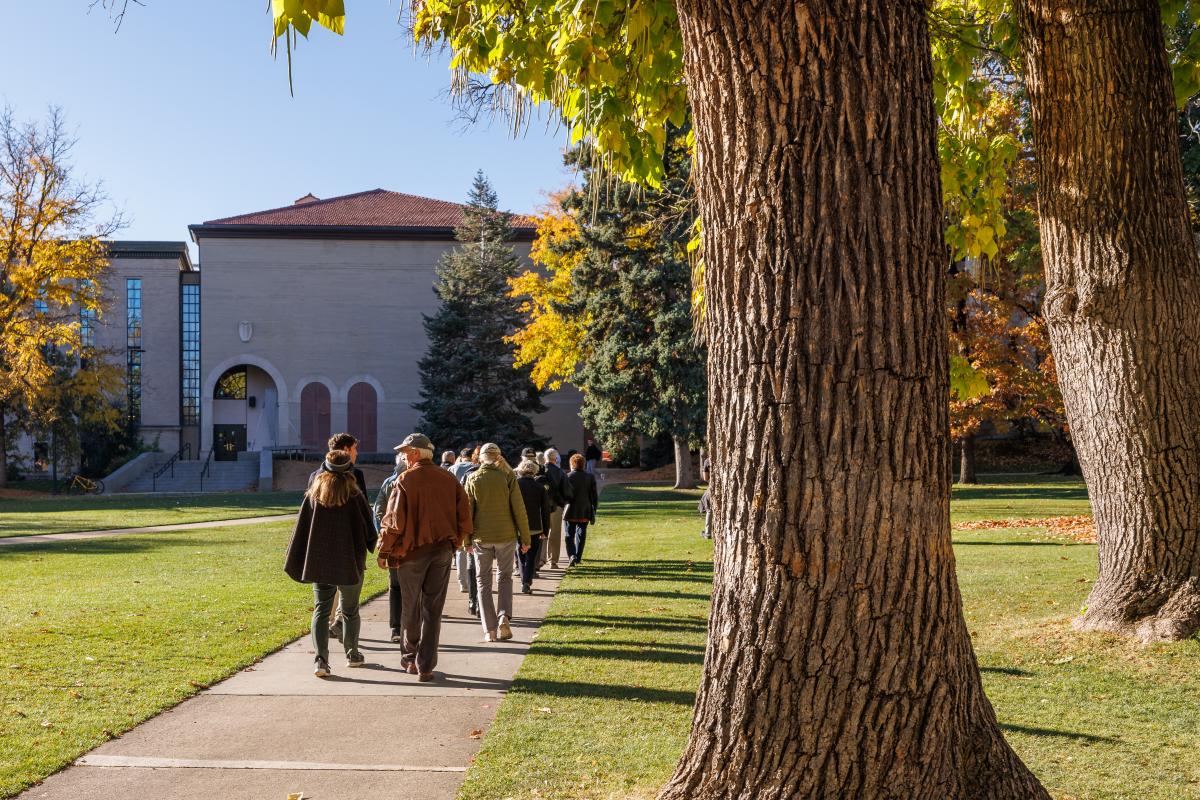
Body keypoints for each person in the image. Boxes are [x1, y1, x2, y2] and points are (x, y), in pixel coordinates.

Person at [378, 433, 472, 682]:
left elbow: (394, 522)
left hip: (412, 553)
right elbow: (465, 516)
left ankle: (410, 659)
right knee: (433, 609)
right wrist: (455, 542)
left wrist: (383, 550)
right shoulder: (449, 479)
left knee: (411, 607)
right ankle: (426, 665)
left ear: (417, 453)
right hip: (441, 551)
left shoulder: (406, 479)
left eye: (407, 452)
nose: (404, 457)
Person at [285, 449, 377, 678]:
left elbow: (301, 529)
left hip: (320, 562)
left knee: (321, 610)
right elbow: (368, 530)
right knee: (350, 611)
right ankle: (352, 654)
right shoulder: (355, 495)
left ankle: (321, 660)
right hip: (350, 562)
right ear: (348, 468)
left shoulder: (314, 493)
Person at [465, 442, 531, 642]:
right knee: (505, 578)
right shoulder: (508, 477)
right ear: (499, 457)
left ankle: (490, 629)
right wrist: (525, 538)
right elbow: (519, 510)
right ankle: (504, 615)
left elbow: (468, 513)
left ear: (481, 458)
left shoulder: (472, 478)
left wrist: (465, 540)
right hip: (506, 535)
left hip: (481, 537)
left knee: (483, 581)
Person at [308, 433, 368, 643]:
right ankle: (348, 646)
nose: (356, 453)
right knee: (344, 600)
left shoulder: (316, 475)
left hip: (324, 549)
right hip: (347, 547)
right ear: (345, 449)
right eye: (354, 448)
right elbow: (364, 514)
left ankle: (323, 651)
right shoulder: (352, 476)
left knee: (325, 604)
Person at [374, 452, 407, 642]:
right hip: (414, 544)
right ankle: (409, 627)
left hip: (393, 543)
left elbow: (378, 512)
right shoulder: (416, 482)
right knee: (415, 587)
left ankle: (396, 627)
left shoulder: (388, 483)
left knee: (395, 587)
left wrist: (383, 535)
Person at [515, 457, 550, 594]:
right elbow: (545, 511)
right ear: (534, 471)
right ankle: (527, 581)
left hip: (518, 526)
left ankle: (524, 579)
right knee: (531, 555)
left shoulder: (515, 485)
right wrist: (545, 530)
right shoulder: (540, 487)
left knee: (520, 553)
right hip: (535, 526)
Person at [563, 452, 599, 566]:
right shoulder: (590, 477)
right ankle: (578, 557)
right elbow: (594, 495)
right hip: (585, 509)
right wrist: (594, 508)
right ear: (583, 464)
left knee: (569, 535)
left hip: (570, 510)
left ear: (572, 464)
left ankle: (572, 555)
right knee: (581, 533)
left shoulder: (567, 477)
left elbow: (564, 494)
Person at [541, 448, 573, 569]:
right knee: (555, 533)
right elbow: (567, 492)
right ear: (556, 459)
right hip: (556, 506)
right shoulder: (560, 472)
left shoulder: (541, 470)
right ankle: (553, 560)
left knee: (542, 532)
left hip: (542, 506)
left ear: (545, 458)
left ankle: (540, 558)